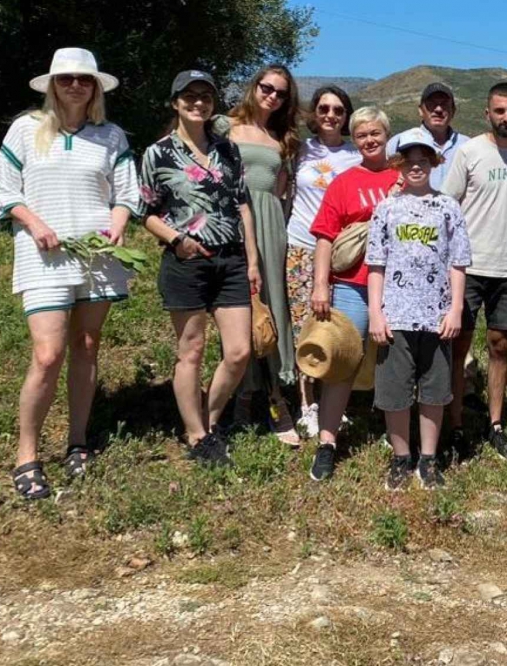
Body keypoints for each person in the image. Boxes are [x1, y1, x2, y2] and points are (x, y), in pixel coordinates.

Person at [0, 48, 140, 499]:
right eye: (66, 78)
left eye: (83, 79)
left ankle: (78, 440)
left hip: (95, 255)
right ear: (52, 85)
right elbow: (5, 190)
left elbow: (126, 193)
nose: (74, 85)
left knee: (87, 345)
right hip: (44, 255)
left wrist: (117, 223)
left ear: (95, 87)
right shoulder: (26, 130)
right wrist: (35, 224)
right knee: (47, 354)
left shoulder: (111, 136)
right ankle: (27, 454)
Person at [139, 70, 261, 467]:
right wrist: (177, 240)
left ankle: (208, 418)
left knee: (240, 351)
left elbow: (243, 204)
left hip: (231, 259)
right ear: (175, 102)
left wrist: (253, 259)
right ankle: (196, 436)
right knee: (191, 351)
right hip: (186, 261)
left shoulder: (228, 150)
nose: (198, 103)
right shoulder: (157, 154)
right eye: (189, 96)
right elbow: (147, 212)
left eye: (205, 96)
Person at [361, 132, 472, 489]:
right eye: (409, 162)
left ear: (433, 165)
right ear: (399, 167)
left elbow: (458, 263)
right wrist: (377, 314)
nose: (416, 168)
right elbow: (376, 264)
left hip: (436, 316)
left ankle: (428, 457)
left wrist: (455, 309)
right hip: (396, 315)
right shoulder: (387, 208)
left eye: (423, 162)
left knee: (434, 391)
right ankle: (400, 456)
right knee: (394, 392)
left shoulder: (448, 208)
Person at [440, 82, 507, 458]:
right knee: (458, 344)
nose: (506, 117)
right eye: (500, 111)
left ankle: (496, 423)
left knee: (500, 344)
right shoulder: (470, 152)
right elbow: (448, 207)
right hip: (468, 266)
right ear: (487, 113)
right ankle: (456, 422)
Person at [306, 106, 400, 476]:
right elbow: (325, 237)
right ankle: (327, 441)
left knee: (394, 362)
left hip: (397, 286)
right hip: (351, 285)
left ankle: (397, 437)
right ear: (355, 139)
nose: (369, 140)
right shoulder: (344, 182)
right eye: (361, 135)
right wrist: (319, 284)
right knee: (343, 361)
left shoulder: (402, 177)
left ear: (386, 134)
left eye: (375, 133)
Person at [225, 64, 303, 447]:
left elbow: (283, 189)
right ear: (253, 86)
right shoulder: (225, 128)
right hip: (232, 223)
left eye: (281, 92)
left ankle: (275, 394)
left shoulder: (283, 138)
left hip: (270, 222)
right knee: (237, 305)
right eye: (266, 87)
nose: (272, 95)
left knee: (272, 305)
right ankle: (243, 390)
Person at [284, 85, 360, 439]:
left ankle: (333, 401)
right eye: (324, 109)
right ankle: (306, 403)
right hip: (301, 246)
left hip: (341, 254)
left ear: (346, 117)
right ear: (314, 113)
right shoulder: (298, 149)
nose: (331, 115)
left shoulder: (355, 153)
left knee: (333, 325)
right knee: (305, 325)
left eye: (338, 110)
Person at [386, 82, 466, 191]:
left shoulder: (468, 145)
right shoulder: (397, 143)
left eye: (444, 104)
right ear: (420, 110)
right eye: (431, 104)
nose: (438, 109)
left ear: (453, 111)